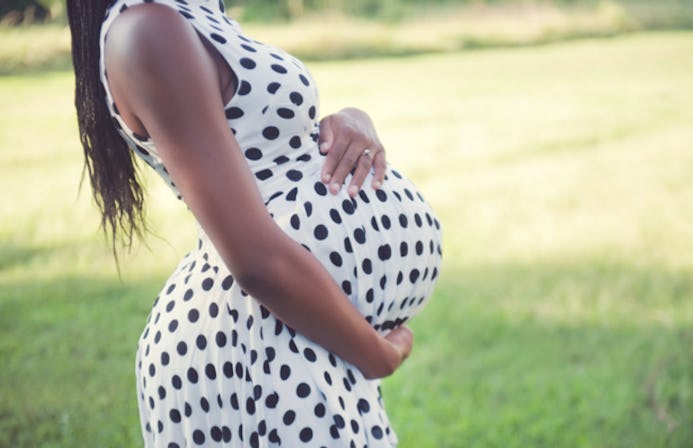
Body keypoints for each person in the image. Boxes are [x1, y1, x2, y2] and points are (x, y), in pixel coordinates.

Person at [67, 0, 442, 446]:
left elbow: (261, 144)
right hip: (253, 343)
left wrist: (349, 123)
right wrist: (376, 355)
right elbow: (255, 260)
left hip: (295, 331)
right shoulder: (147, 29)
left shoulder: (191, 13)